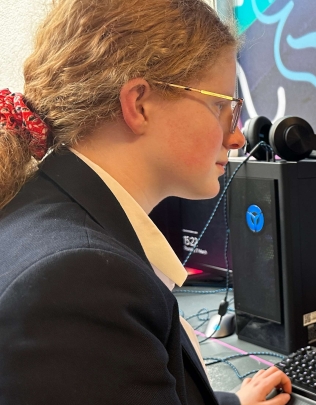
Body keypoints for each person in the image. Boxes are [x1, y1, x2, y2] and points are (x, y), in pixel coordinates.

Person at [0, 0, 292, 404]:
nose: (237, 137)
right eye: (221, 106)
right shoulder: (79, 280)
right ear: (138, 104)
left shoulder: (52, 222)